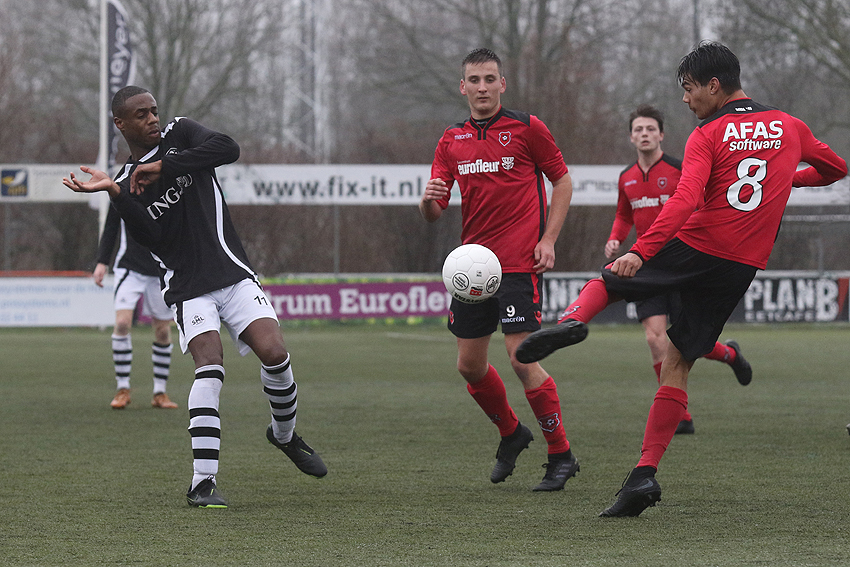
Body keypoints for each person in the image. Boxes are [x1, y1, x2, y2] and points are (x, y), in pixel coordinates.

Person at [515, 41, 847, 516]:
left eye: (689, 90)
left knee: (610, 278)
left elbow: (687, 199)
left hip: (698, 242)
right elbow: (836, 168)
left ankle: (571, 321)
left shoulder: (707, 133)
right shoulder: (790, 125)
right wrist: (787, 178)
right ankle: (643, 476)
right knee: (678, 360)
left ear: (715, 86)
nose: (686, 101)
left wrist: (640, 251)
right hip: (742, 264)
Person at [64, 85, 327, 508]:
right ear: (121, 123)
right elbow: (151, 237)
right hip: (187, 285)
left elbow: (229, 147)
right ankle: (202, 482)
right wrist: (116, 194)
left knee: (276, 353)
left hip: (232, 271)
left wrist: (167, 166)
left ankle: (284, 436)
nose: (152, 118)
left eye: (153, 110)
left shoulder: (180, 133)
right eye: (141, 114)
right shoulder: (126, 181)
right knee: (210, 363)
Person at [420, 48, 578, 491]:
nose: (483, 87)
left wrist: (548, 239)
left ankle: (561, 453)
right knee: (469, 367)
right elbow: (435, 210)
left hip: (517, 265)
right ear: (463, 86)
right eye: (475, 80)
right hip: (473, 270)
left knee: (521, 358)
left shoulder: (527, 128)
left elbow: (562, 180)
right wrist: (428, 199)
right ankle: (512, 433)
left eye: (490, 79)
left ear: (502, 84)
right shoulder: (451, 139)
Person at [605, 104, 753, 435]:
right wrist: (615, 240)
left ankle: (729, 354)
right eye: (638, 129)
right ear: (631, 137)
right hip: (649, 267)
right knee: (655, 338)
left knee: (686, 341)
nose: (644, 134)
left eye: (650, 129)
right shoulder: (626, 177)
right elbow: (624, 216)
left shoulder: (678, 170)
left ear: (661, 134)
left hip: (683, 264)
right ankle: (679, 414)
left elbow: (700, 209)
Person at [94, 204, 177, 409]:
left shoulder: (167, 185)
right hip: (129, 268)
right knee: (122, 323)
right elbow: (111, 226)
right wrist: (102, 261)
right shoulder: (123, 186)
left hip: (159, 269)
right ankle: (123, 389)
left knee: (163, 331)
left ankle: (159, 392)